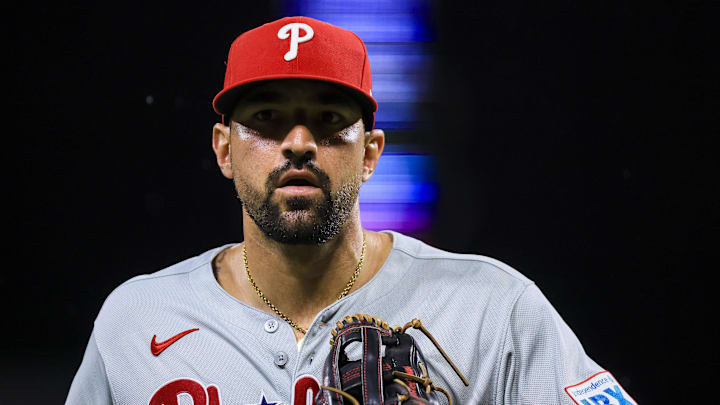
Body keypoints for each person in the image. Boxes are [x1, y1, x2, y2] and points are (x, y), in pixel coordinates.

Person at [66, 16, 635, 405]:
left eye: (328, 120)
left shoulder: (490, 310)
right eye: (265, 118)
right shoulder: (138, 319)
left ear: (369, 153)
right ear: (223, 149)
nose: (297, 141)